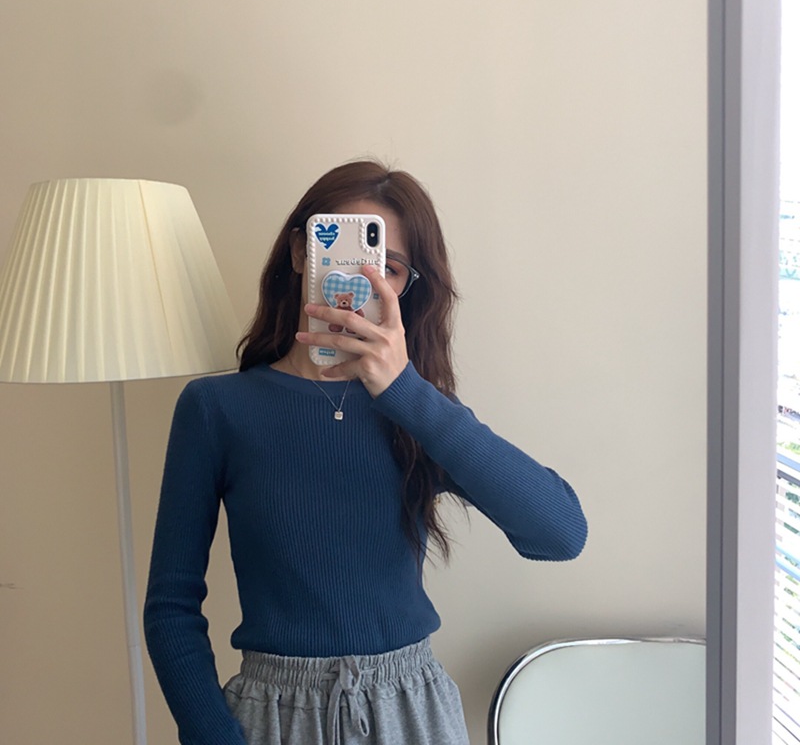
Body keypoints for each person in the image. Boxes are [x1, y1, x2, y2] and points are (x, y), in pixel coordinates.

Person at [143, 160, 588, 745]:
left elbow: (560, 534)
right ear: (300, 253)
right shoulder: (217, 408)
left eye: (388, 267)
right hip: (273, 716)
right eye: (343, 253)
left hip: (410, 713)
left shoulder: (420, 412)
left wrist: (405, 391)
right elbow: (171, 605)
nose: (359, 280)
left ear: (406, 286)